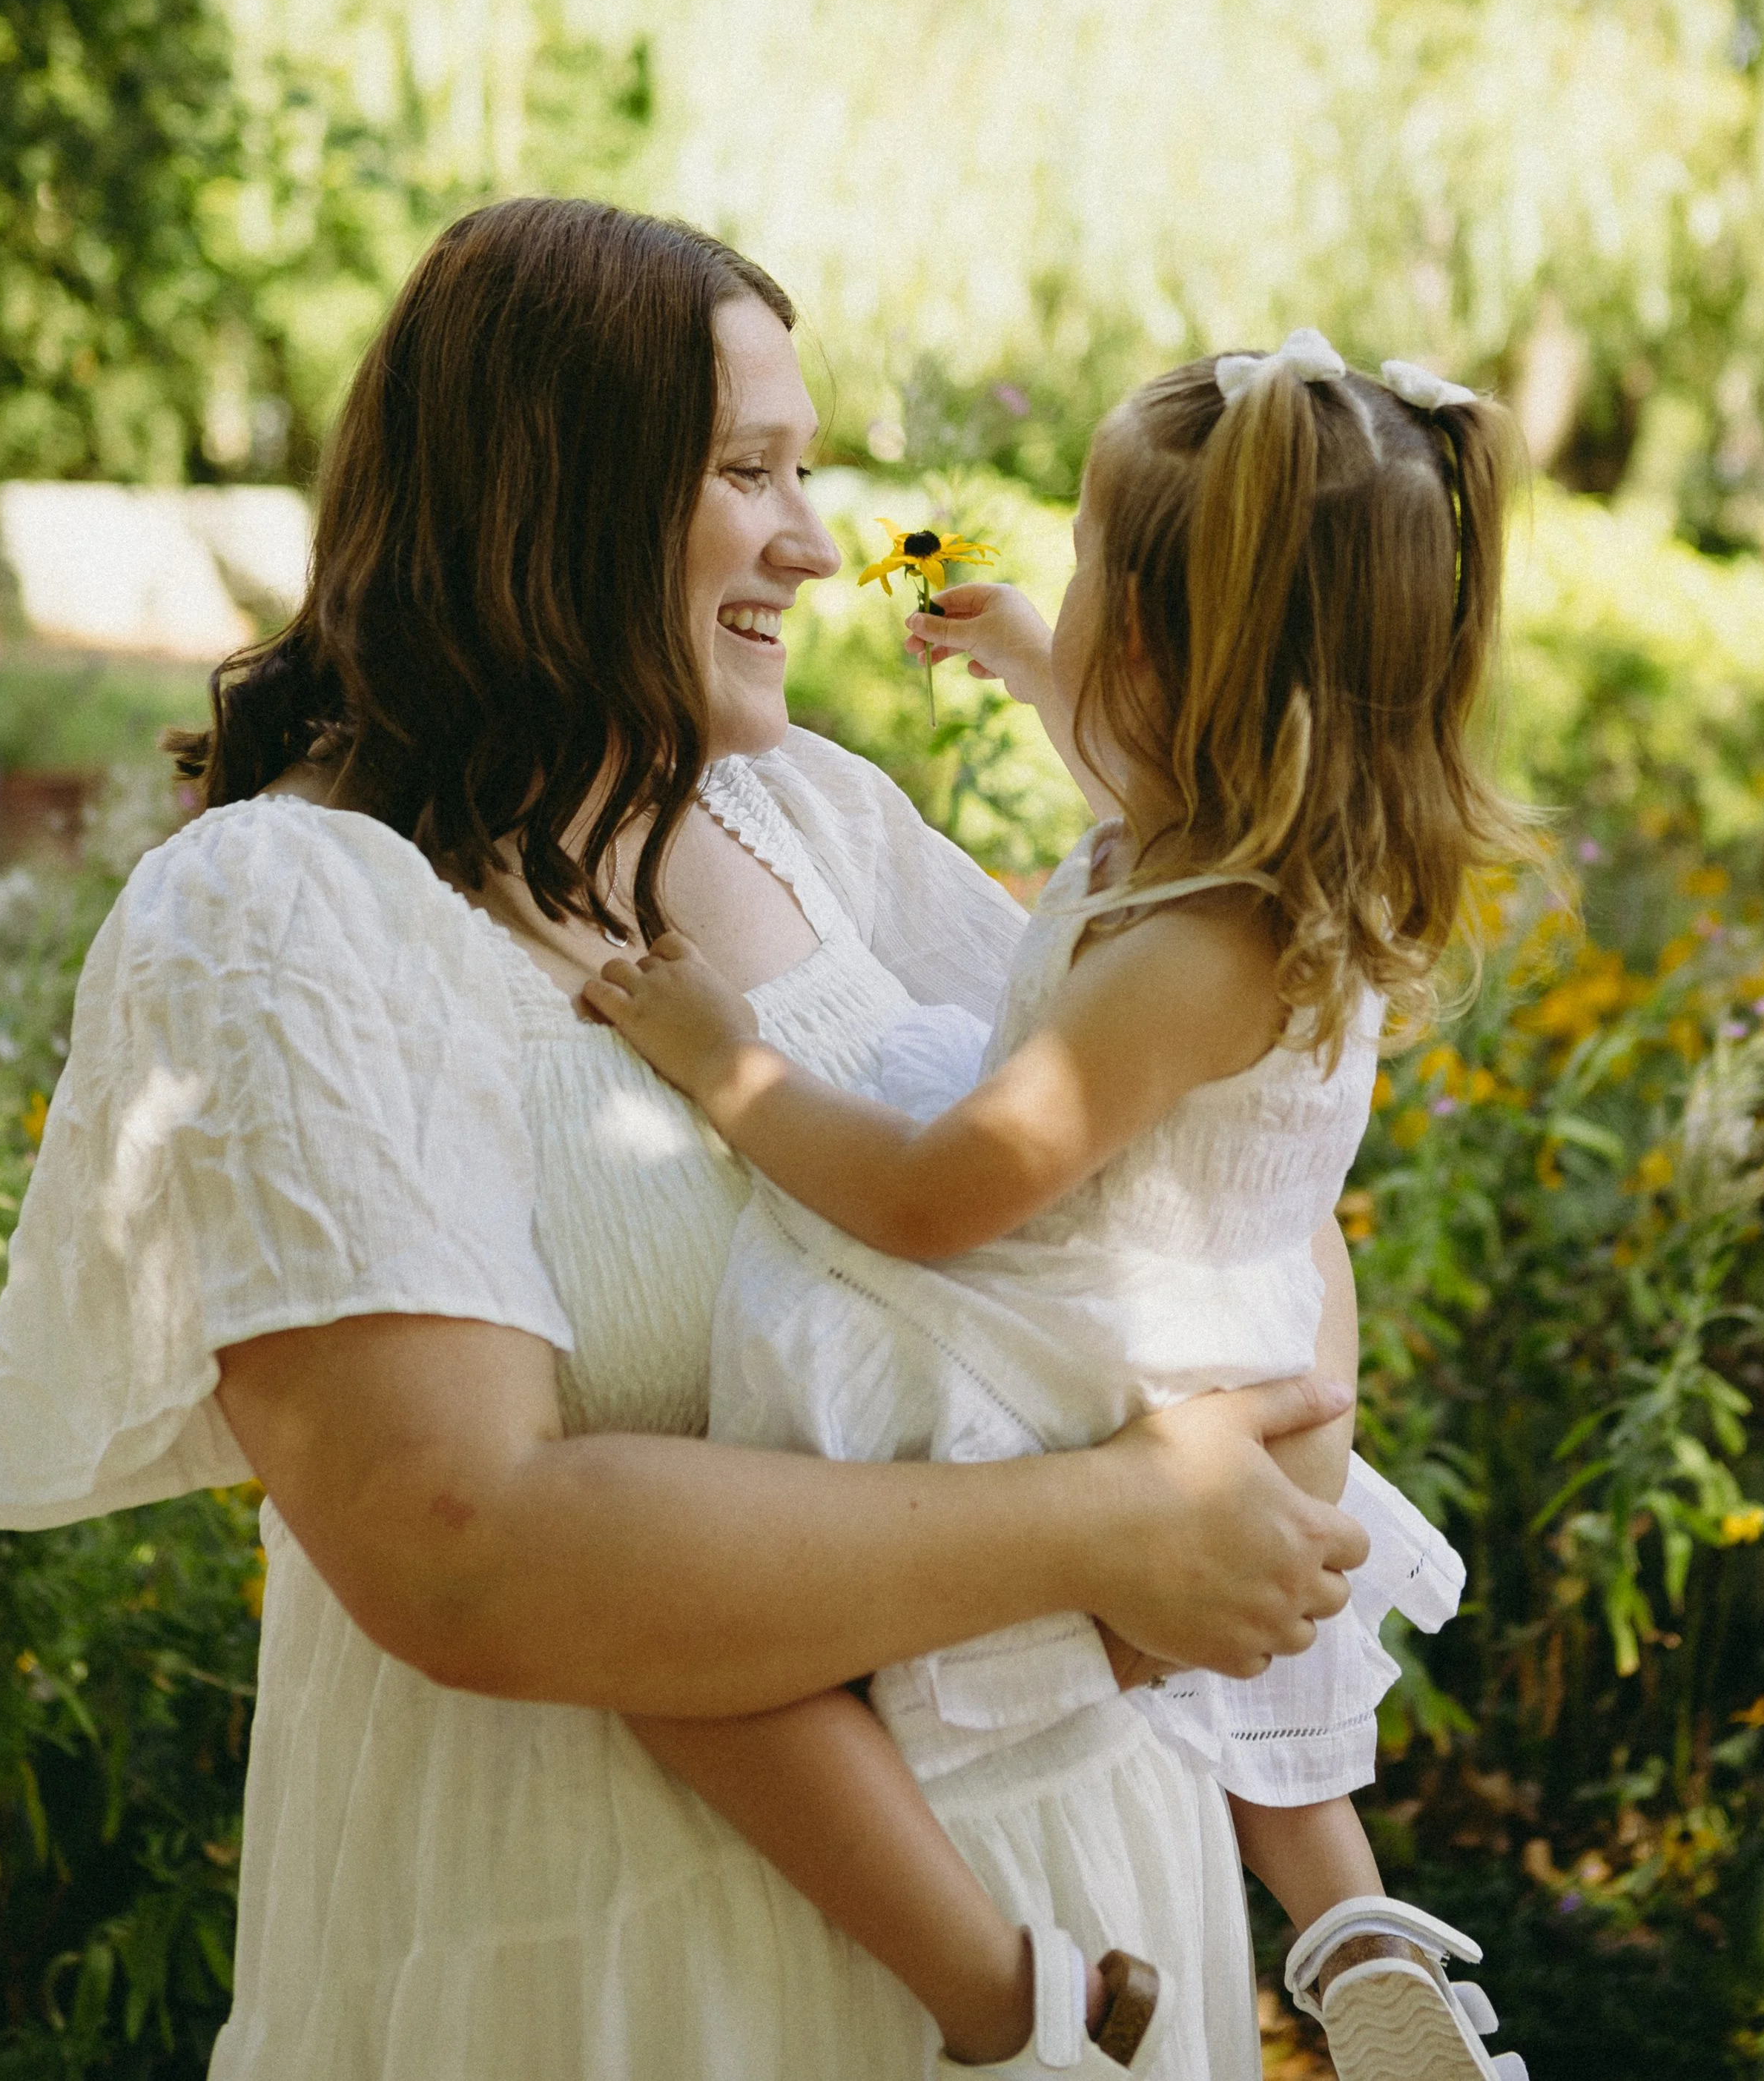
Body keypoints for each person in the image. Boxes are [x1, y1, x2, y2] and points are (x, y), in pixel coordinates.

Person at [0, 200, 1368, 2081]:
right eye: (744, 471)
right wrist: (1111, 1522)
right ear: (547, 496)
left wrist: (1264, 1466)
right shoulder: (291, 907)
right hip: (619, 1986)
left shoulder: (809, 817)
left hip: (1099, 1911)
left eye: (805, 468)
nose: (810, 535)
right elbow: (466, 1547)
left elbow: (1192, 1172)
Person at [584, 328, 1539, 2081]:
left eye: (1096, 568)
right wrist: (1038, 658)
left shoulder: (1187, 951)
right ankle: (1344, 1919)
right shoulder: (1254, 858)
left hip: (1090, 1349)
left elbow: (946, 1196)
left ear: (1175, 650)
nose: (1067, 591)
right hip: (1231, 1331)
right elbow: (1133, 796)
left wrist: (725, 1067)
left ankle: (990, 1993)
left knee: (702, 1646)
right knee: (1240, 1648)